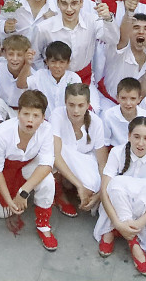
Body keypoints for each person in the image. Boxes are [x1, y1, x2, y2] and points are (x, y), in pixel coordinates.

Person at [94, 116, 146, 274]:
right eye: (136, 137)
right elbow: (104, 190)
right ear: (128, 136)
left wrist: (140, 223)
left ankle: (120, 230)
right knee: (115, 184)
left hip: (142, 212)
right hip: (116, 204)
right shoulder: (117, 152)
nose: (141, 143)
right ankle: (132, 241)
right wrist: (118, 222)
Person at [0, 89, 58, 251]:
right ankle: (2, 196)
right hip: (6, 169)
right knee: (3, 213)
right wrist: (9, 199)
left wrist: (23, 191)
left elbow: (47, 163)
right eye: (26, 114)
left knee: (48, 180)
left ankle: (43, 225)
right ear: (18, 113)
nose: (30, 120)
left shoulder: (47, 129)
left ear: (43, 118)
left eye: (36, 115)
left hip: (29, 164)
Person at [50, 83, 108, 217]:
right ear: (65, 103)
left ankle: (72, 186)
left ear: (88, 105)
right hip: (60, 160)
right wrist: (79, 185)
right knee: (53, 148)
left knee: (92, 189)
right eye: (71, 105)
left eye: (81, 105)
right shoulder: (57, 115)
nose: (76, 110)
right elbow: (56, 155)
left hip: (84, 161)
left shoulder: (96, 122)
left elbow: (102, 162)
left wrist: (100, 193)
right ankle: (60, 193)